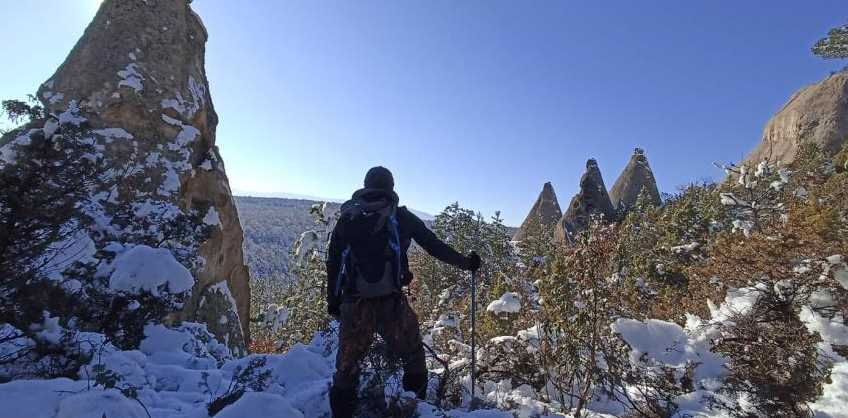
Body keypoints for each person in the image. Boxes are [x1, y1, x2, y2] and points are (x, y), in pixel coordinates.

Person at [326, 166, 481, 418]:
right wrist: (466, 262)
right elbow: (433, 245)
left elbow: (334, 261)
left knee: (346, 369)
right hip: (391, 304)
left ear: (366, 186)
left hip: (355, 304)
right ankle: (414, 408)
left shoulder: (348, 218)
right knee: (413, 358)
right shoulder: (400, 217)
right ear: (391, 187)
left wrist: (333, 301)